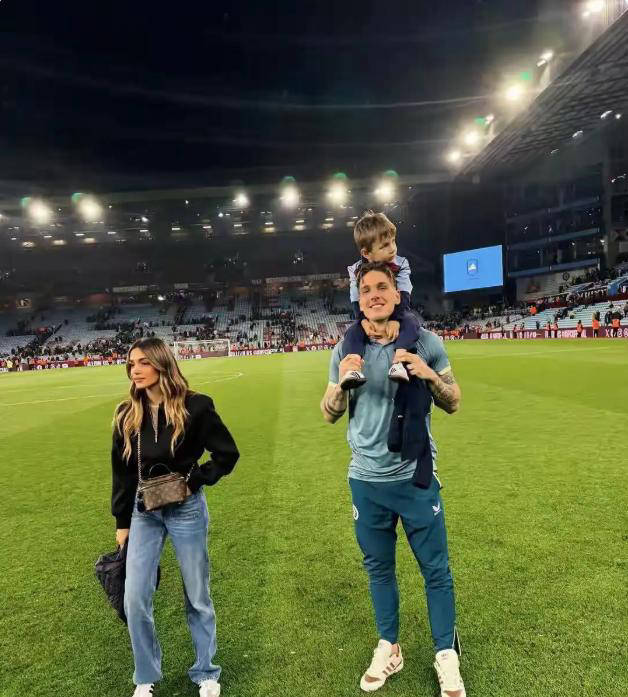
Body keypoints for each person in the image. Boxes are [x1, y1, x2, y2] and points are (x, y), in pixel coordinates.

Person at [320, 261, 465, 697]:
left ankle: (446, 654)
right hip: (366, 481)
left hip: (414, 478)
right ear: (359, 298)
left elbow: (453, 401)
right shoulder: (345, 349)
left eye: (382, 287)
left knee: (435, 570)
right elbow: (328, 414)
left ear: (397, 294)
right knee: (379, 570)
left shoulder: (426, 343)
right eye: (366, 289)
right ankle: (390, 646)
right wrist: (340, 385)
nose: (375, 295)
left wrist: (427, 373)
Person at [111, 337, 239, 697]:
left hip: (187, 510)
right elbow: (122, 473)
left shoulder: (196, 406)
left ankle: (206, 672)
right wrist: (122, 522)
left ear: (162, 364)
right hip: (143, 513)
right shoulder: (127, 414)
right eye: (131, 364)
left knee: (197, 595)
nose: (135, 370)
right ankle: (145, 676)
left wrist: (195, 479)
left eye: (143, 363)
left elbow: (227, 454)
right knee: (134, 597)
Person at [341, 211, 422, 390]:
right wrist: (362, 320)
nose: (392, 248)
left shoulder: (401, 263)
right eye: (385, 245)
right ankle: (352, 368)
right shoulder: (355, 269)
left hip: (398, 309)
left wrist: (396, 320)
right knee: (353, 331)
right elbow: (356, 297)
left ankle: (399, 362)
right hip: (369, 313)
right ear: (366, 253)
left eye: (393, 241)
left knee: (411, 321)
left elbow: (404, 294)